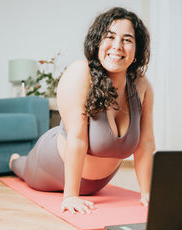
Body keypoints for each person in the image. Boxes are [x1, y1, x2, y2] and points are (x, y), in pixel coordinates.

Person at [9, 7, 155, 214]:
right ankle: (14, 160)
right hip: (50, 167)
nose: (117, 46)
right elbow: (76, 138)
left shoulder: (141, 85)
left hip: (96, 185)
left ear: (137, 49)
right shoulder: (80, 72)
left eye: (127, 40)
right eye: (110, 37)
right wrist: (70, 196)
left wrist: (146, 193)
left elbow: (146, 144)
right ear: (97, 42)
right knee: (22, 167)